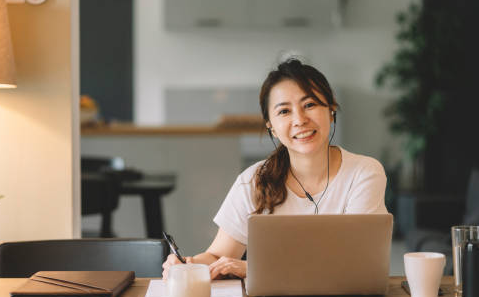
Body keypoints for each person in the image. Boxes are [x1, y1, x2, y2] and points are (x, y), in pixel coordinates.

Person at [162, 59, 387, 280]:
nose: (299, 120)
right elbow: (218, 256)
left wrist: (255, 269)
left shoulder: (364, 173)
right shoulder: (253, 181)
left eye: (309, 105)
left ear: (331, 110)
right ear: (271, 127)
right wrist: (189, 265)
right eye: (284, 112)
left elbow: (354, 263)